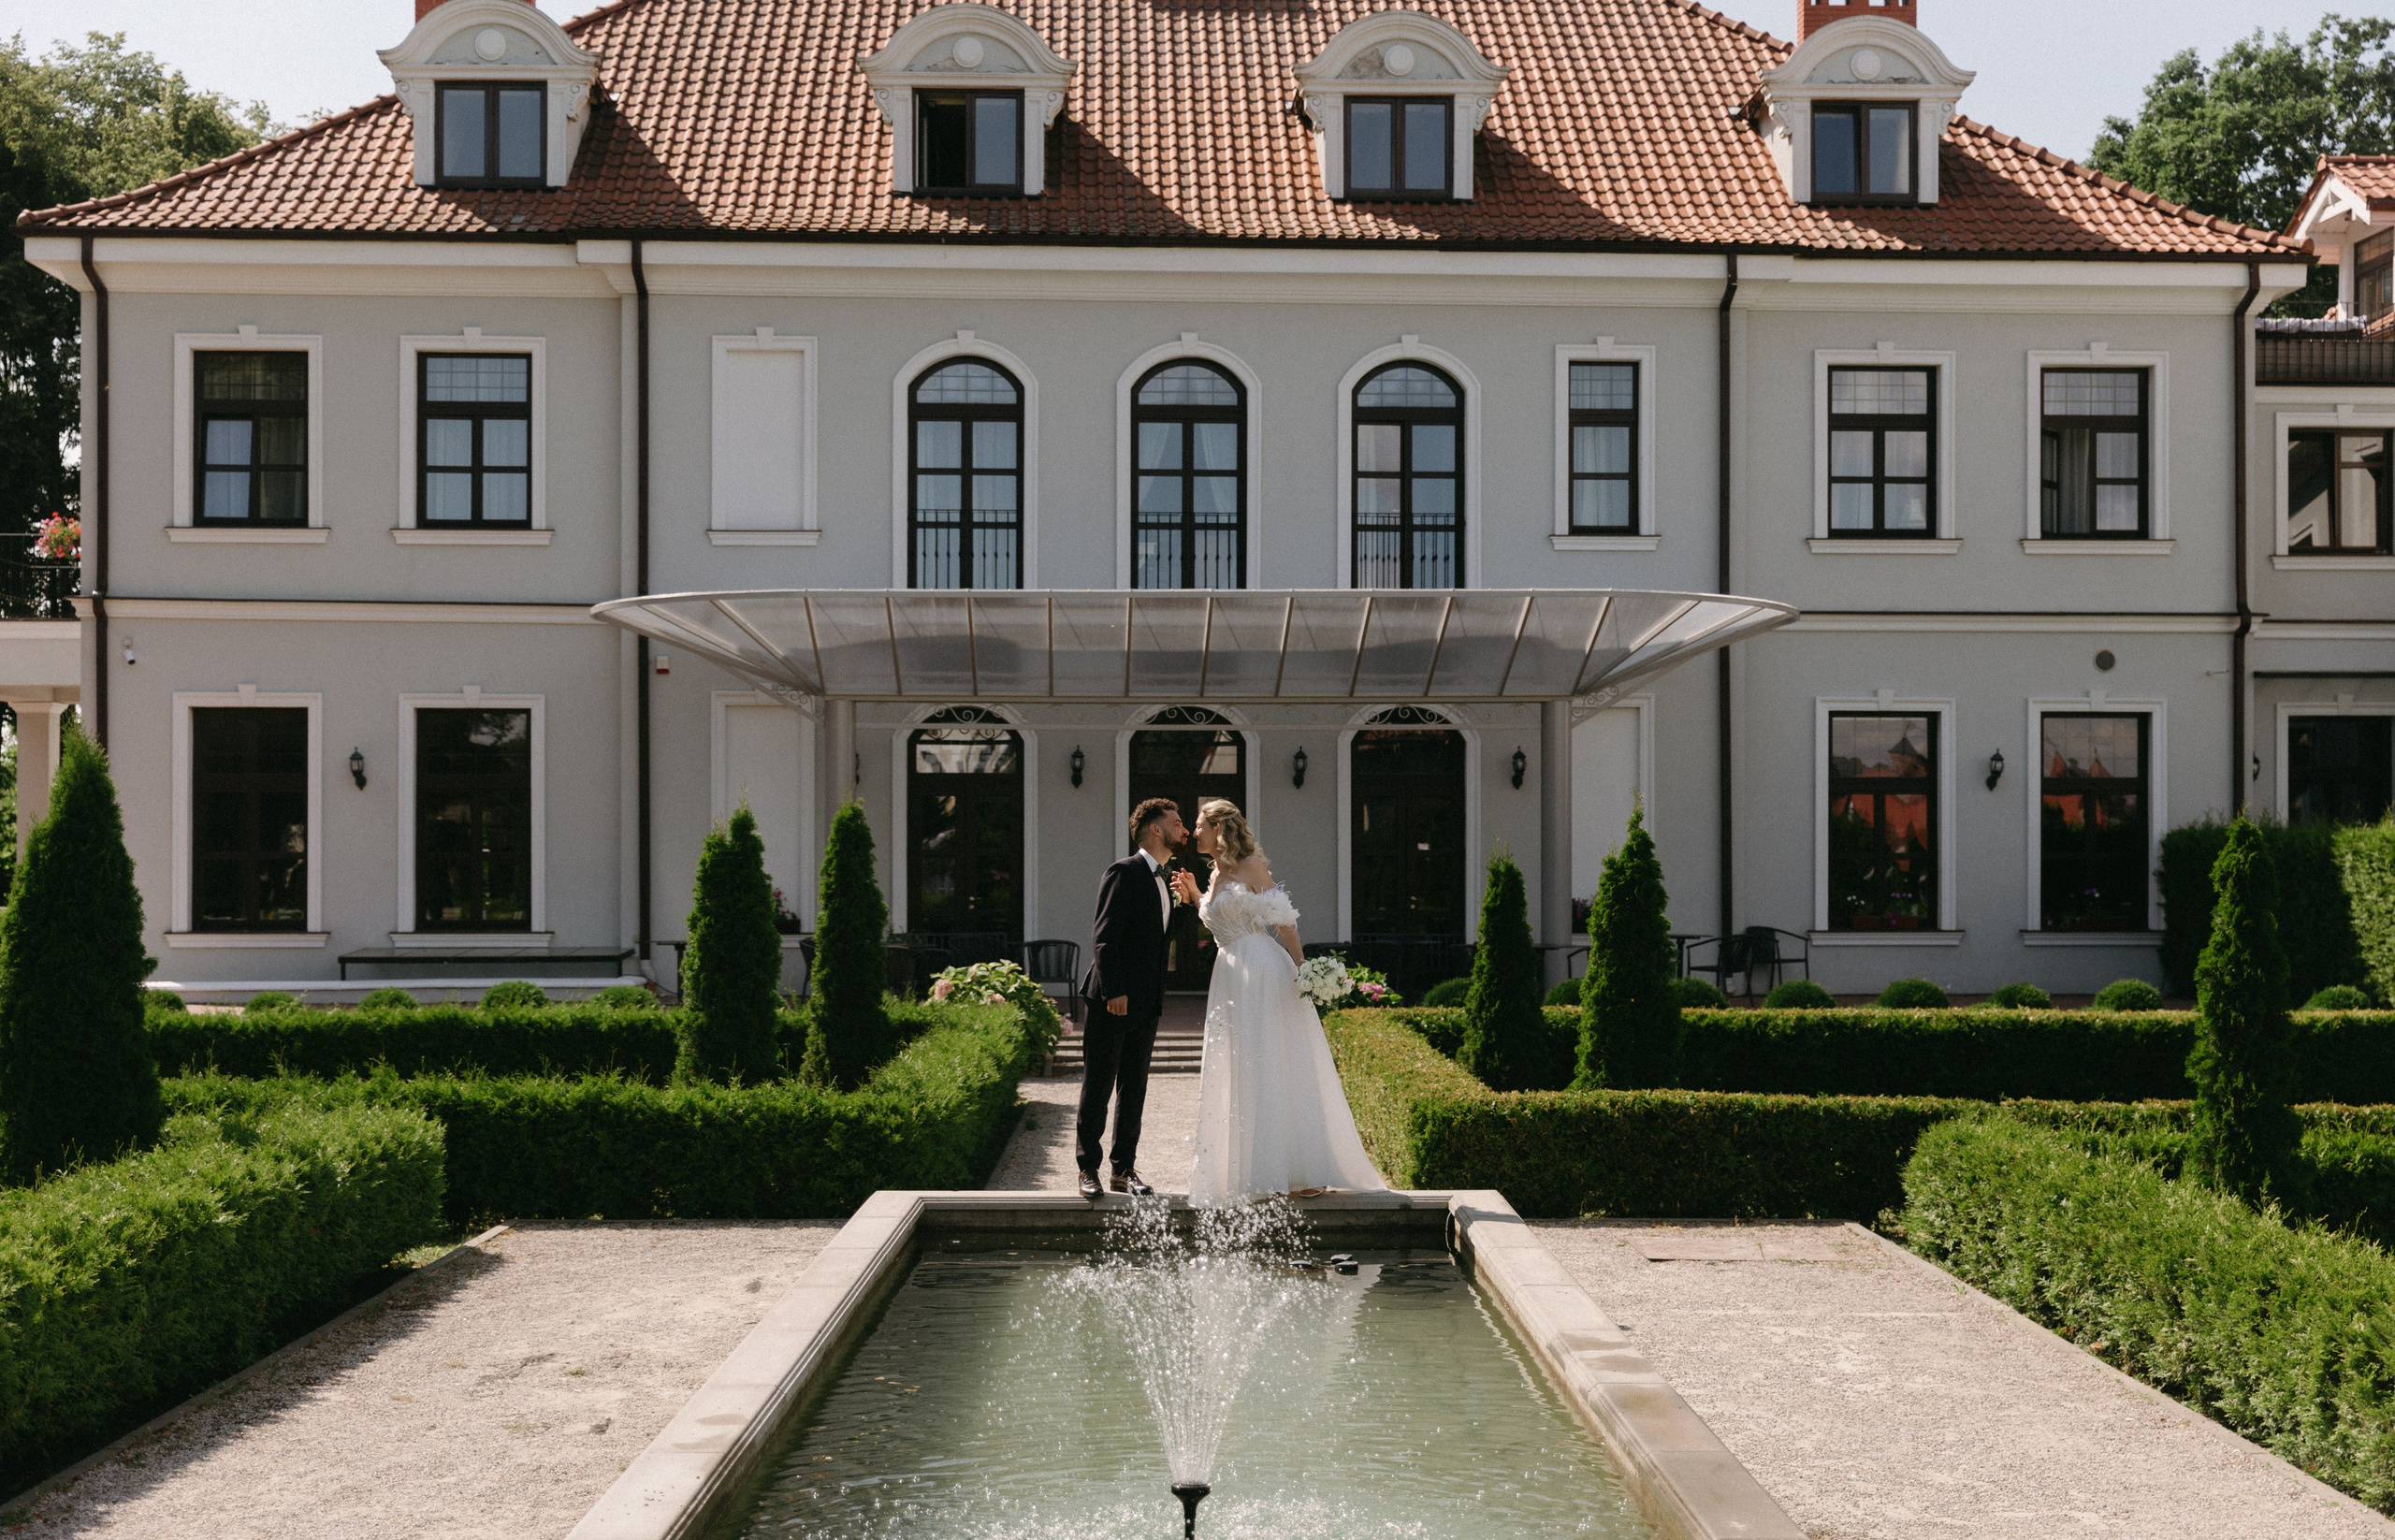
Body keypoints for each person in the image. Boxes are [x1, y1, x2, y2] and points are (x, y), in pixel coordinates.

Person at [1180, 798, 1385, 1204]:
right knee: (1242, 1065)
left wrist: (1304, 969)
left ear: (1219, 828)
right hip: (1231, 974)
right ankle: (1252, 1170)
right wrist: (1195, 895)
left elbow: (1283, 922)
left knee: (1272, 1063)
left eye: (1200, 825)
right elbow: (1222, 916)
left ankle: (1300, 1171)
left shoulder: (1252, 865)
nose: (1194, 831)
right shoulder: (1217, 871)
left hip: (1262, 970)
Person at [1074, 796, 1185, 1199]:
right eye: (1176, 822)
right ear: (1156, 829)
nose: (1184, 829)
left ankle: (1123, 1170)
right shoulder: (1123, 871)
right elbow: (1104, 936)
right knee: (1099, 1084)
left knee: (1134, 1087)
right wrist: (1113, 990)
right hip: (1112, 999)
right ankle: (1088, 1169)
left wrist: (1185, 905)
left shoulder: (1167, 878)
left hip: (1147, 1001)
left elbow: (1157, 940)